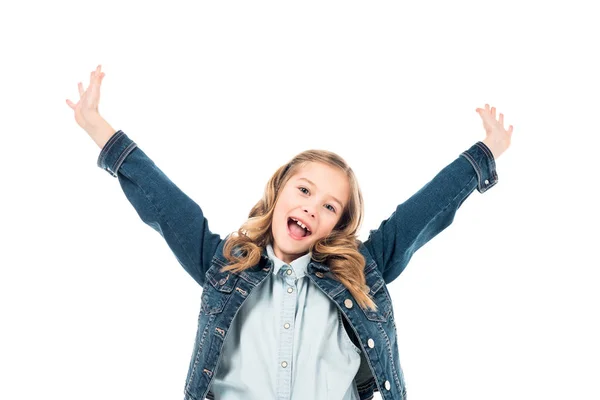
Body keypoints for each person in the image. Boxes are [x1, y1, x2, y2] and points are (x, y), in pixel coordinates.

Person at [66, 65, 514, 400]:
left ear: (336, 226)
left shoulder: (360, 272)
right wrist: (97, 128)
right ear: (278, 190)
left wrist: (485, 155)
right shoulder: (224, 265)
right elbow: (164, 204)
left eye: (329, 206)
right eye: (304, 189)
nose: (310, 207)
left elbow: (421, 213)